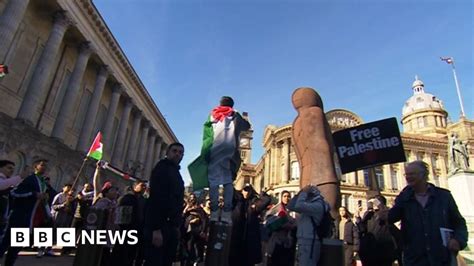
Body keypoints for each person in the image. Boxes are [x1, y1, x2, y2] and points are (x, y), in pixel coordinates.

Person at [386, 160, 468, 266]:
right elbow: (392, 218)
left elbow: (459, 223)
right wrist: (385, 213)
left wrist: (458, 240)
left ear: (423, 175)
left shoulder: (443, 197)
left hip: (441, 258)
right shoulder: (404, 198)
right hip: (415, 259)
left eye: (412, 174)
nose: (407, 177)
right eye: (406, 174)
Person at [202, 96, 250, 223]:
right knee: (228, 181)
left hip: (215, 150)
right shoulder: (235, 115)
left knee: (214, 182)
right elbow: (247, 126)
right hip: (230, 150)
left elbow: (206, 132)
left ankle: (214, 212)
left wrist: (205, 152)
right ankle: (226, 213)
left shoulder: (213, 115)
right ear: (231, 105)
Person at [1, 159, 53, 265]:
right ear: (35, 166)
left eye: (46, 166)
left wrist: (45, 203)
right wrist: (34, 194)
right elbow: (14, 193)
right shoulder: (29, 179)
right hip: (19, 217)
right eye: (42, 165)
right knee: (4, 244)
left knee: (15, 249)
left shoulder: (43, 182)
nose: (44, 167)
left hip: (30, 220)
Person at [144, 142, 185, 266]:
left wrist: (176, 226)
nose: (178, 154)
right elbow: (156, 199)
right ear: (167, 153)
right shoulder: (162, 168)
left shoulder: (176, 172)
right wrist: (156, 229)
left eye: (180, 152)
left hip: (170, 226)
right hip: (160, 226)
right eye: (174, 151)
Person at [229, 184, 271, 266]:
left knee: (248, 262)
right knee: (234, 260)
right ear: (241, 190)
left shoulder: (254, 202)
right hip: (236, 237)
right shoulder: (236, 201)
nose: (246, 192)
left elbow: (266, 200)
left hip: (249, 239)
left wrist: (262, 193)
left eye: (248, 190)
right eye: (245, 190)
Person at [288, 185, 326, 266]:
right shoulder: (309, 206)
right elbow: (290, 206)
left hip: (310, 242)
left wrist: (303, 193)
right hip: (304, 240)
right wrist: (299, 193)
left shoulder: (317, 205)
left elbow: (298, 206)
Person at [111, 180, 147, 266]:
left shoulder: (144, 200)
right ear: (135, 187)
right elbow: (121, 216)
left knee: (130, 255)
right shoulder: (127, 198)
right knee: (120, 254)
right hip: (125, 230)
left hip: (137, 230)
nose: (144, 188)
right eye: (142, 185)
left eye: (145, 186)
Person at [358, 195, 399, 266]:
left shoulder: (385, 212)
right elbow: (363, 230)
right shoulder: (369, 214)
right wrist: (358, 219)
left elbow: (387, 216)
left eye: (376, 202)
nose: (374, 204)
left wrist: (379, 204)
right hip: (369, 251)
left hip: (383, 252)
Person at [265, 190, 296, 266]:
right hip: (277, 242)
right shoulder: (275, 209)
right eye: (284, 196)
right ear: (281, 197)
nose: (287, 198)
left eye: (288, 196)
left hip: (288, 242)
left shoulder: (292, 210)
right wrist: (282, 225)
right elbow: (268, 223)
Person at [182, 193, 208, 266]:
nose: (192, 199)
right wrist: (185, 210)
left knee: (195, 250)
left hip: (197, 232)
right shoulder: (185, 209)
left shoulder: (199, 209)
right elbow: (181, 218)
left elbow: (204, 220)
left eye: (193, 197)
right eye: (190, 197)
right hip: (187, 233)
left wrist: (203, 231)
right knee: (187, 250)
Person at [0, 160, 22, 244]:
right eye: (9, 168)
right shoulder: (4, 181)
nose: (11, 170)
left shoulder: (8, 182)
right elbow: (2, 185)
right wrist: (19, 177)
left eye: (13, 169)